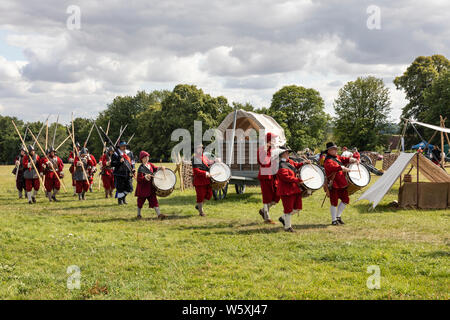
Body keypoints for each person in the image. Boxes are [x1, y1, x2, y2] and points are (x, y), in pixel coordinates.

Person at [276, 146, 310, 232]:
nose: (288, 154)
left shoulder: (290, 162)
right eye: (286, 153)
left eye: (288, 152)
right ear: (282, 154)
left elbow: (296, 165)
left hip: (294, 188)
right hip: (286, 189)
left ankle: (283, 218)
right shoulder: (281, 165)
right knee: (288, 209)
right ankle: (287, 227)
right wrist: (298, 180)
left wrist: (304, 163)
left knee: (297, 208)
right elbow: (285, 177)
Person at [323, 142, 358, 225]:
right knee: (334, 202)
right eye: (333, 149)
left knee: (346, 200)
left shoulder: (337, 157)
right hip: (334, 184)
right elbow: (333, 167)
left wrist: (352, 159)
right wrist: (342, 167)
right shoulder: (327, 160)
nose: (335, 150)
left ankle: (338, 217)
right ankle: (333, 220)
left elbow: (344, 159)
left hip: (342, 183)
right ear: (329, 150)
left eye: (336, 149)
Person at [135, 151, 167, 220]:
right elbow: (139, 179)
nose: (146, 159)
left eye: (147, 157)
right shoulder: (141, 168)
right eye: (144, 158)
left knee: (154, 200)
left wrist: (160, 168)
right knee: (140, 202)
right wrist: (145, 177)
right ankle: (138, 214)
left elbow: (155, 168)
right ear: (141, 159)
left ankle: (159, 214)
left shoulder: (150, 164)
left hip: (150, 187)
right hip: (143, 188)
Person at [256, 132, 280, 224]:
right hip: (265, 175)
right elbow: (263, 162)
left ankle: (263, 210)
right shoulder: (262, 149)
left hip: (274, 175)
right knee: (267, 197)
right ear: (269, 140)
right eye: (273, 139)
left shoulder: (274, 149)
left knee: (276, 197)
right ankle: (267, 217)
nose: (275, 141)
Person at [192, 143, 216, 216]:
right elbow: (196, 171)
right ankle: (201, 212)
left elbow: (209, 163)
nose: (201, 149)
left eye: (202, 148)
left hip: (207, 180)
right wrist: (205, 173)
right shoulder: (195, 158)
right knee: (200, 196)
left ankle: (199, 206)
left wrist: (215, 161)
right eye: (199, 148)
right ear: (196, 150)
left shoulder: (204, 157)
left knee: (209, 195)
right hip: (199, 180)